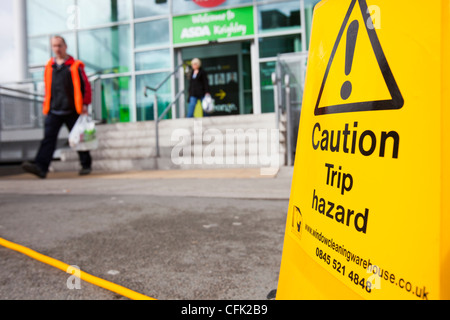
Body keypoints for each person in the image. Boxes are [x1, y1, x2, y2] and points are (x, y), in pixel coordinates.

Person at [22, 35, 92, 179]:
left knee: (79, 138)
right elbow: (48, 88)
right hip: (54, 109)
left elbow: (86, 87)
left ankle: (86, 165)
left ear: (65, 46)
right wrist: (46, 106)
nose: (57, 49)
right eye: (54, 46)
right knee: (48, 139)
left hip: (73, 109)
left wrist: (85, 104)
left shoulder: (75, 65)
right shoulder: (49, 66)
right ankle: (41, 168)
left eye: (59, 45)